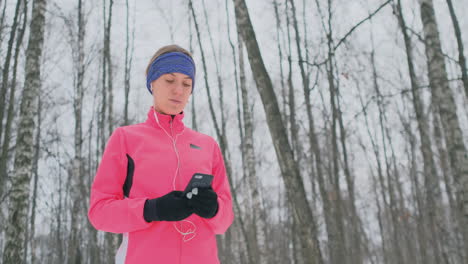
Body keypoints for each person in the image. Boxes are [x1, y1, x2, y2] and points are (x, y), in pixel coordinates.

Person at [88, 44, 234, 264]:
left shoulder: (208, 145)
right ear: (152, 83)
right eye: (169, 80)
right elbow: (99, 212)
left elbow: (225, 220)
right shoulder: (126, 139)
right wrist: (151, 209)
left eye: (187, 84)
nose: (179, 90)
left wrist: (214, 209)